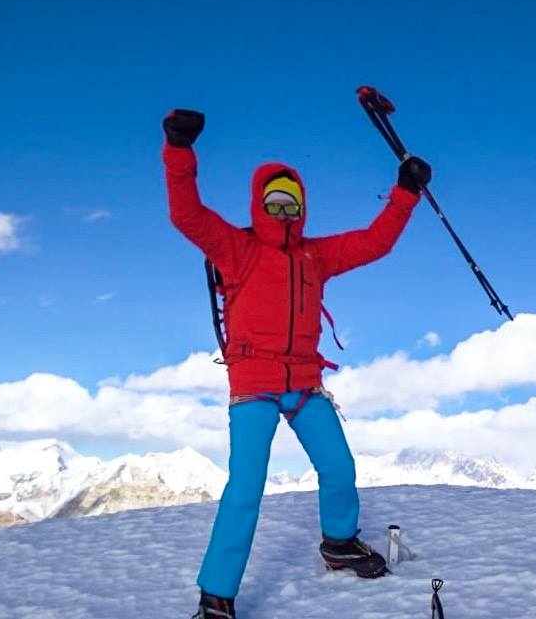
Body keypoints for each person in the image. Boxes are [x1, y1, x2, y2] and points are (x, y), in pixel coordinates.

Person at [161, 109, 431, 619]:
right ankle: (216, 597)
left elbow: (376, 242)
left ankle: (339, 544)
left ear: (302, 209)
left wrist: (405, 193)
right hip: (253, 388)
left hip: (305, 384)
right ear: (260, 206)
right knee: (245, 489)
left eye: (291, 204)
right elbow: (187, 214)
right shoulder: (235, 249)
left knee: (338, 467)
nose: (283, 212)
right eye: (274, 203)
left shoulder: (316, 255)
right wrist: (179, 149)